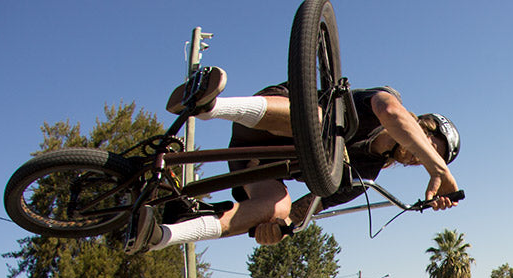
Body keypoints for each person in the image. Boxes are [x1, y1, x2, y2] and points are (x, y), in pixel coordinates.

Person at [126, 66, 460, 253]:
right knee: (317, 122)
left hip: (257, 163)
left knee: (277, 206)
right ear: (421, 123)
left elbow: (309, 206)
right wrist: (438, 166)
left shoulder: (365, 176)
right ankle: (209, 106)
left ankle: (162, 236)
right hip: (275, 113)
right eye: (432, 144)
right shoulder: (390, 103)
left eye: (433, 156)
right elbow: (389, 112)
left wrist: (282, 229)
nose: (424, 157)